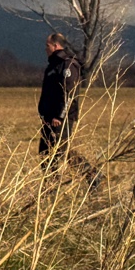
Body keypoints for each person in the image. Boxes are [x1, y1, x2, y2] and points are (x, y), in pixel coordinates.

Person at [37, 33, 101, 188]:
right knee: (46, 152)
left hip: (61, 118)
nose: (45, 48)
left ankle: (92, 175)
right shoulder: (53, 65)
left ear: (56, 46)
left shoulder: (68, 64)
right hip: (48, 117)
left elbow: (70, 93)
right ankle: (51, 186)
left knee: (60, 151)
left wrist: (60, 115)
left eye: (47, 45)